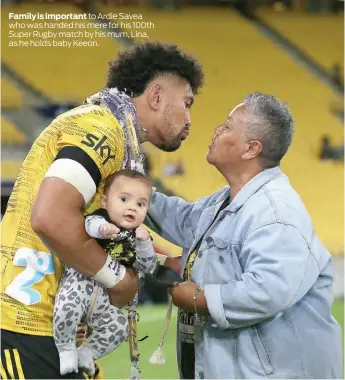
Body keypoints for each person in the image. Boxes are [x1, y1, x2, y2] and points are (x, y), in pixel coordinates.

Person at [0, 41, 203, 379]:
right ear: (156, 97)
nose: (189, 119)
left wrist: (175, 260)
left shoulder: (117, 137)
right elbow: (50, 217)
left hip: (52, 326)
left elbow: (113, 224)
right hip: (25, 322)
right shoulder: (101, 128)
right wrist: (117, 277)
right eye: (186, 103)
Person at [146, 92, 343, 379]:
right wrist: (130, 194)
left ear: (251, 149)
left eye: (227, 126)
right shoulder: (224, 200)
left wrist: (200, 298)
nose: (216, 130)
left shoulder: (276, 212)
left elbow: (269, 290)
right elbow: (182, 219)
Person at [54, 170, 157, 377]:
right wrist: (104, 229)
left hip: (103, 299)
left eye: (140, 204)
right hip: (79, 284)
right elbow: (90, 226)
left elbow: (149, 267)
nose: (131, 207)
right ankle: (65, 349)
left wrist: (145, 244)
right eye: (124, 199)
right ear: (104, 201)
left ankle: (87, 353)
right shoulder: (100, 218)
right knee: (67, 306)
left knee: (119, 326)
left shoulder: (136, 236)